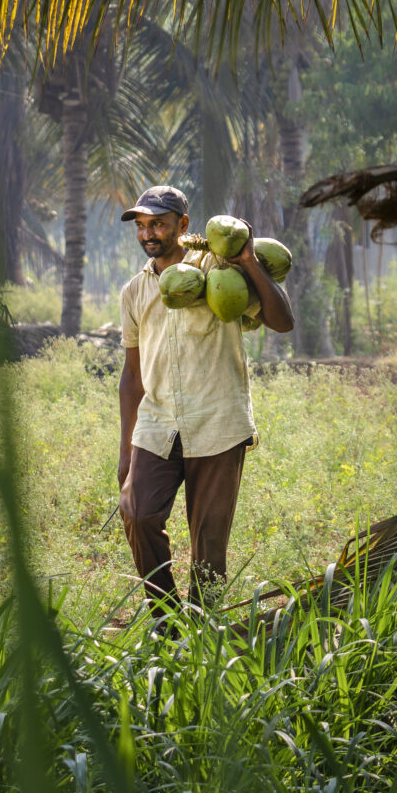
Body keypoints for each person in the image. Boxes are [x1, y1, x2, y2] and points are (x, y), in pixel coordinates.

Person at [115, 184, 293, 617]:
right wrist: (126, 451)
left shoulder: (220, 272)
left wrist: (248, 259)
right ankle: (166, 617)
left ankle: (201, 634)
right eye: (141, 226)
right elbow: (133, 374)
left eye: (157, 223)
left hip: (218, 421)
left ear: (183, 225)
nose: (148, 234)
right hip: (157, 424)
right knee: (137, 514)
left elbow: (283, 322)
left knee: (208, 546)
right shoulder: (134, 292)